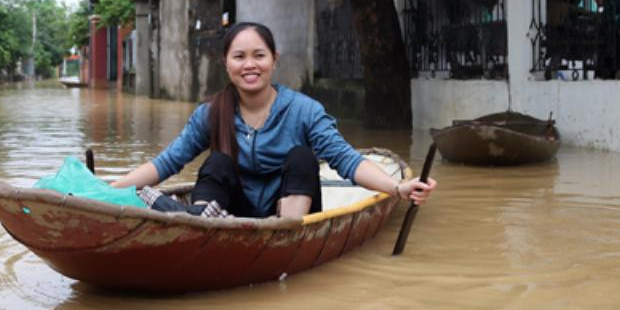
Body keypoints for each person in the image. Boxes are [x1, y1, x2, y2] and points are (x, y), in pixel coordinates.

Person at [113, 22, 436, 219]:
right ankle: (201, 223)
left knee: (301, 157)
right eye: (239, 57)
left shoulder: (304, 110)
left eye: (259, 55)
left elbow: (347, 160)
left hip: (289, 212)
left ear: (274, 60)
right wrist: (107, 190)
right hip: (230, 213)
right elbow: (168, 162)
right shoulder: (212, 113)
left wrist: (397, 188)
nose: (249, 65)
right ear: (226, 64)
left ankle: (285, 234)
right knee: (217, 164)